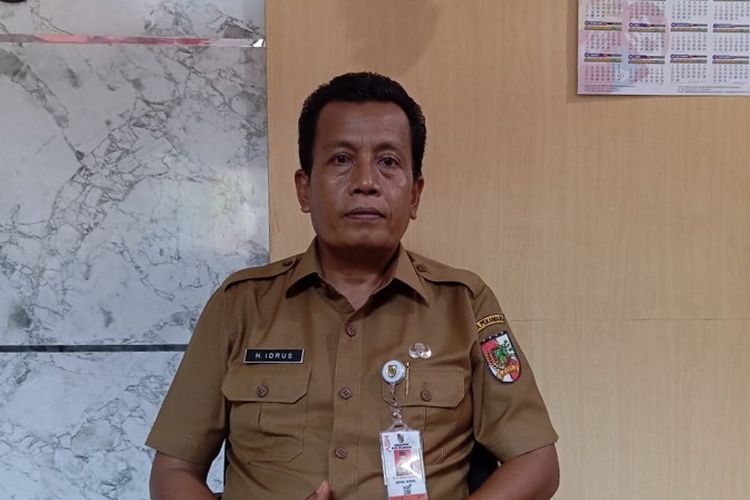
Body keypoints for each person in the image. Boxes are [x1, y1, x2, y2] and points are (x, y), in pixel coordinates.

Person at [147, 72, 559, 499]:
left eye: (389, 162)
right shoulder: (240, 305)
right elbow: (173, 471)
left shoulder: (464, 304)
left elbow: (536, 462)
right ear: (304, 189)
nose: (366, 181)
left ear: (415, 195)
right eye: (341, 159)